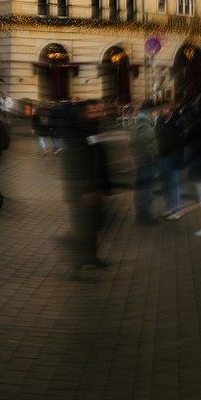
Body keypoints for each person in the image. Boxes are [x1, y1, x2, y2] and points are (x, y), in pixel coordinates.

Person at [58, 100, 110, 279]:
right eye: (92, 110)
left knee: (95, 225)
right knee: (82, 228)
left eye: (97, 110)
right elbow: (72, 164)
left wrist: (103, 185)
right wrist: (84, 190)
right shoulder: (73, 133)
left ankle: (90, 257)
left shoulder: (93, 129)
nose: (96, 113)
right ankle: (76, 265)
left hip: (94, 187)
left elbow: (99, 157)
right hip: (80, 190)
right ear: (81, 113)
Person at [132, 101, 160, 225]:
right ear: (149, 111)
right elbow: (144, 144)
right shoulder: (144, 125)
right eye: (155, 111)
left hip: (141, 162)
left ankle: (142, 215)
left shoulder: (140, 123)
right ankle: (145, 217)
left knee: (142, 189)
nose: (156, 114)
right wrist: (152, 158)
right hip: (146, 163)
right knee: (146, 190)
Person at [155, 102, 184, 219]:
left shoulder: (177, 121)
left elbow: (176, 140)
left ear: (171, 110)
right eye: (163, 109)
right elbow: (156, 135)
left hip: (171, 156)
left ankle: (176, 209)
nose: (164, 111)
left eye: (166, 109)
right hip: (161, 156)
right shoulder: (160, 121)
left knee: (173, 184)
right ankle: (169, 208)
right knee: (165, 184)